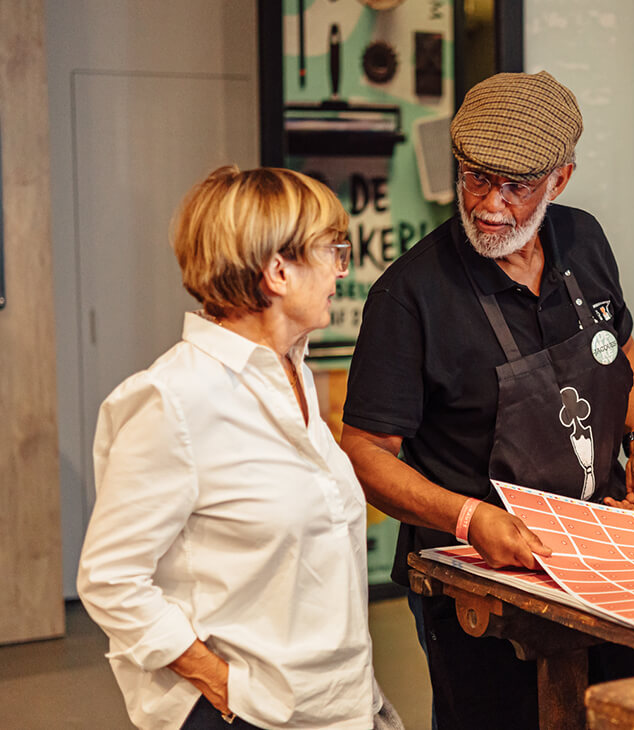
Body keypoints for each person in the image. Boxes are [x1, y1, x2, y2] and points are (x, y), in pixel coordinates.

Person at [340, 71, 634, 729]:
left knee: (618, 715)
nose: (490, 205)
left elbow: (621, 350)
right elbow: (365, 453)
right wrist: (468, 520)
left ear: (560, 180)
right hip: (477, 577)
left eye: (516, 187)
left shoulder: (584, 240)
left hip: (596, 551)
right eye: (476, 178)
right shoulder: (411, 296)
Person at [78, 166, 402, 730]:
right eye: (332, 252)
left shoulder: (292, 372)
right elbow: (110, 578)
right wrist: (223, 687)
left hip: (336, 706)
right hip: (251, 714)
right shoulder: (173, 400)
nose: (341, 272)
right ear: (278, 270)